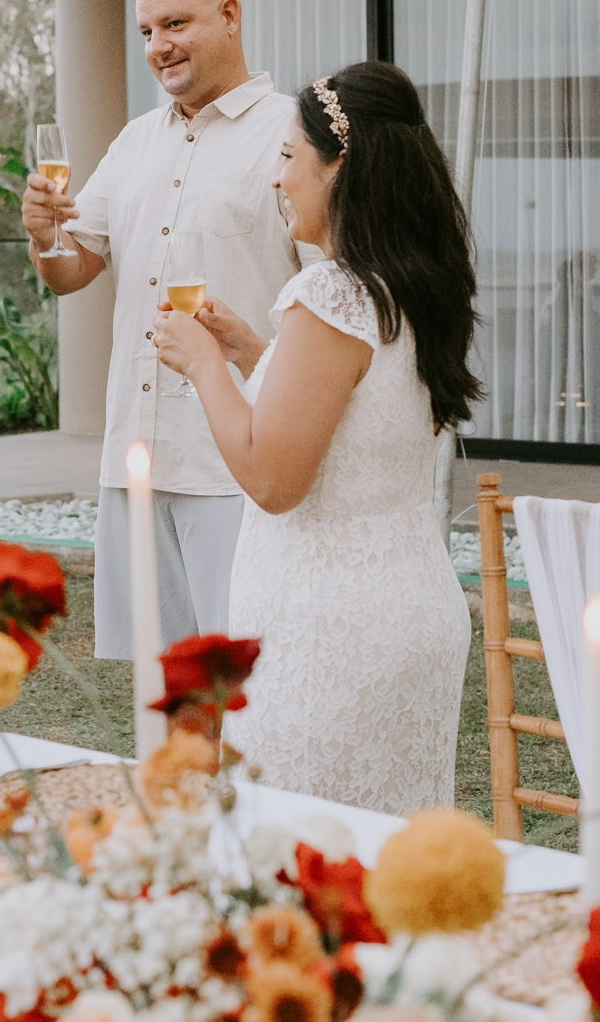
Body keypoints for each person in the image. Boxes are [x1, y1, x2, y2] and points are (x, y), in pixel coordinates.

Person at [154, 62, 479, 813]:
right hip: (411, 612)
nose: (277, 177)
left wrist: (203, 365)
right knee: (390, 856)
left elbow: (273, 479)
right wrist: (254, 355)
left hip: (329, 636)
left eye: (288, 155)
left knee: (305, 850)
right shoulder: (412, 283)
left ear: (338, 169)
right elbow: (363, 417)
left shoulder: (330, 292)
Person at [24, 0, 306, 660]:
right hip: (136, 459)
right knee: (161, 685)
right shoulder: (134, 140)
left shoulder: (293, 134)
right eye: (147, 31)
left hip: (236, 466)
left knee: (249, 681)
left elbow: (327, 294)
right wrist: (42, 235)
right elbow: (71, 270)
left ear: (231, 17)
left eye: (175, 24)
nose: (158, 46)